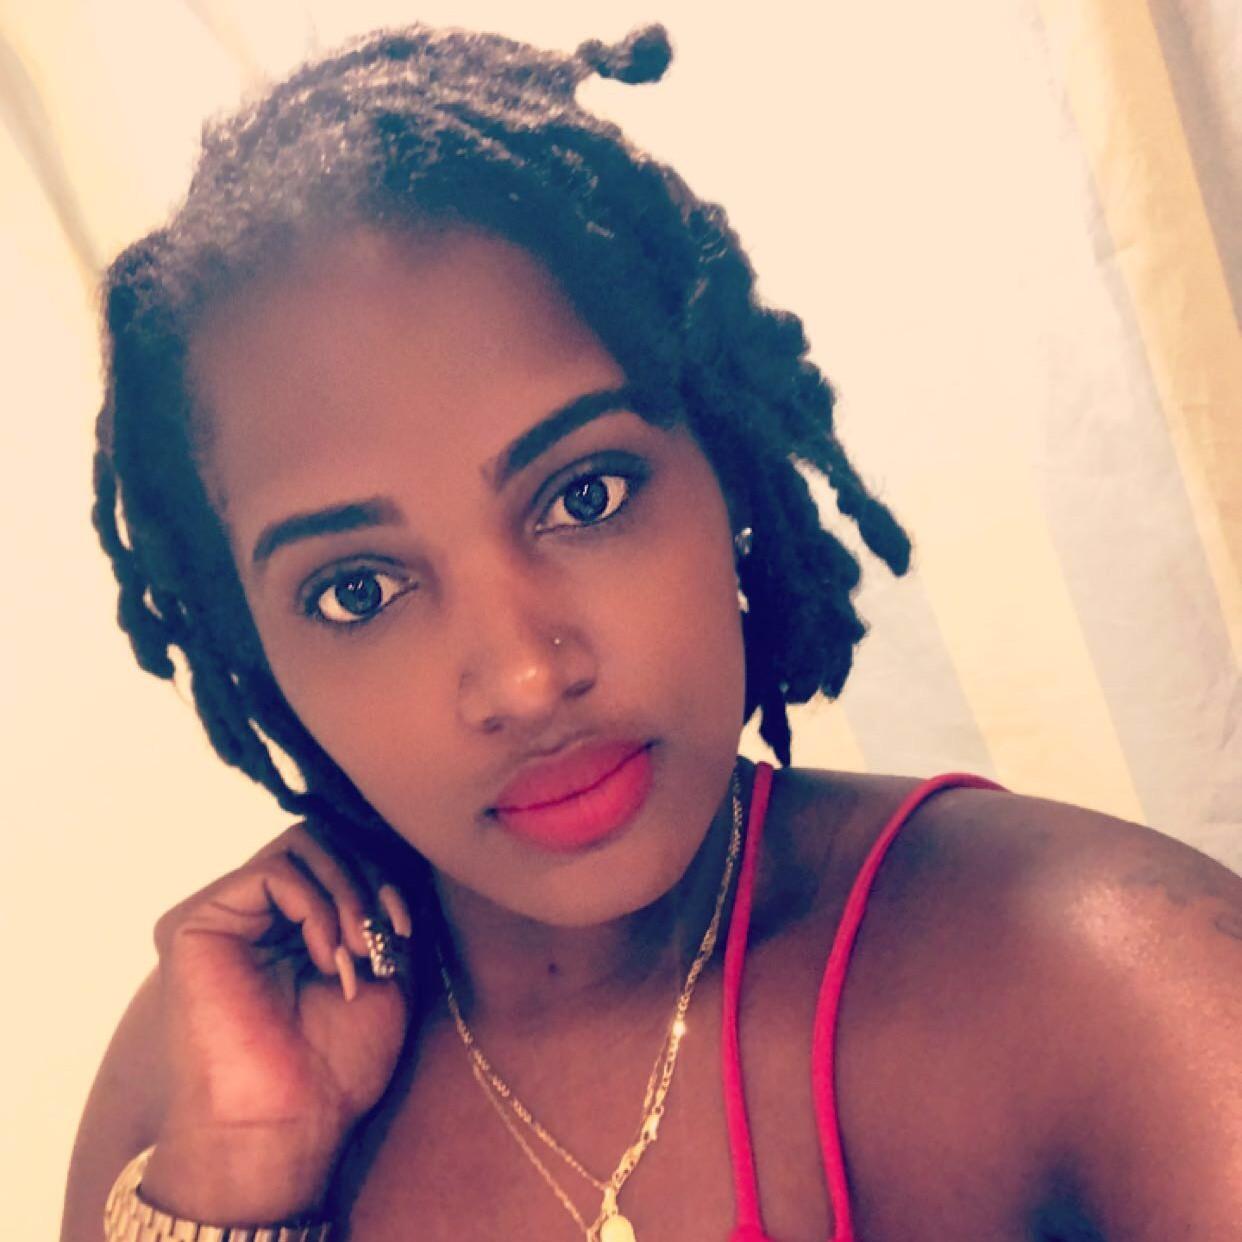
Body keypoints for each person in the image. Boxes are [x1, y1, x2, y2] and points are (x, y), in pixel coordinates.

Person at [62, 22, 1240, 1242]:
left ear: (726, 472)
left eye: (586, 495)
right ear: (256, 657)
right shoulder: (190, 1076)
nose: (526, 678)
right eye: (357, 590)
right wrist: (243, 1177)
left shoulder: (1103, 981)